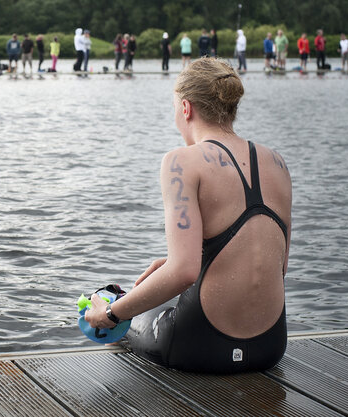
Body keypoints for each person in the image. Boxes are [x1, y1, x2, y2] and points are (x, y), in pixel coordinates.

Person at [85, 58, 292, 374]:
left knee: (115, 301)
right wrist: (175, 263)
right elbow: (278, 265)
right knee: (158, 288)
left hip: (203, 348)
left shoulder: (181, 162)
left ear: (186, 108)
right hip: (270, 346)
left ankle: (108, 309)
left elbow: (184, 272)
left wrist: (111, 315)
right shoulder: (276, 163)